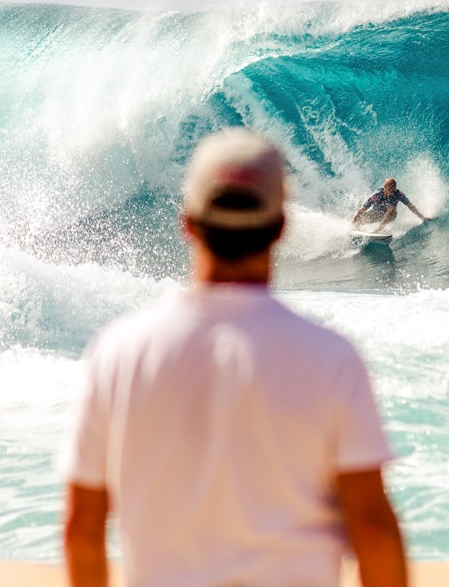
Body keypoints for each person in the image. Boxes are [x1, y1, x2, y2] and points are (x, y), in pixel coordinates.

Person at [61, 128, 408, 587]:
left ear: (187, 221)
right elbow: (373, 533)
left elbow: (82, 530)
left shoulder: (119, 354)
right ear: (281, 226)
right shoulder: (331, 359)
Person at [351, 178, 430, 230]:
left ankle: (378, 230)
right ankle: (354, 227)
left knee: (391, 209)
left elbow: (410, 205)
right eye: (390, 189)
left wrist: (421, 216)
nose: (392, 192)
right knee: (358, 219)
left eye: (393, 189)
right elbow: (363, 208)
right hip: (376, 213)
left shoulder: (399, 194)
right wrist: (355, 220)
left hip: (391, 215)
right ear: (384, 187)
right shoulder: (377, 195)